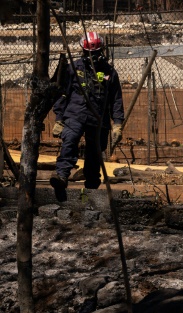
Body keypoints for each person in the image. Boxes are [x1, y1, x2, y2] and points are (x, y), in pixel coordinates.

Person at [50, 31, 124, 202]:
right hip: (75, 115)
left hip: (99, 120)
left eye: (96, 53)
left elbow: (116, 100)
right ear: (83, 51)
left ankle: (91, 188)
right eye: (90, 53)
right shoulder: (73, 69)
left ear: (102, 51)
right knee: (70, 141)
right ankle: (61, 178)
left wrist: (118, 123)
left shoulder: (110, 73)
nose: (93, 57)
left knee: (94, 153)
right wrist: (59, 118)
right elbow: (62, 94)